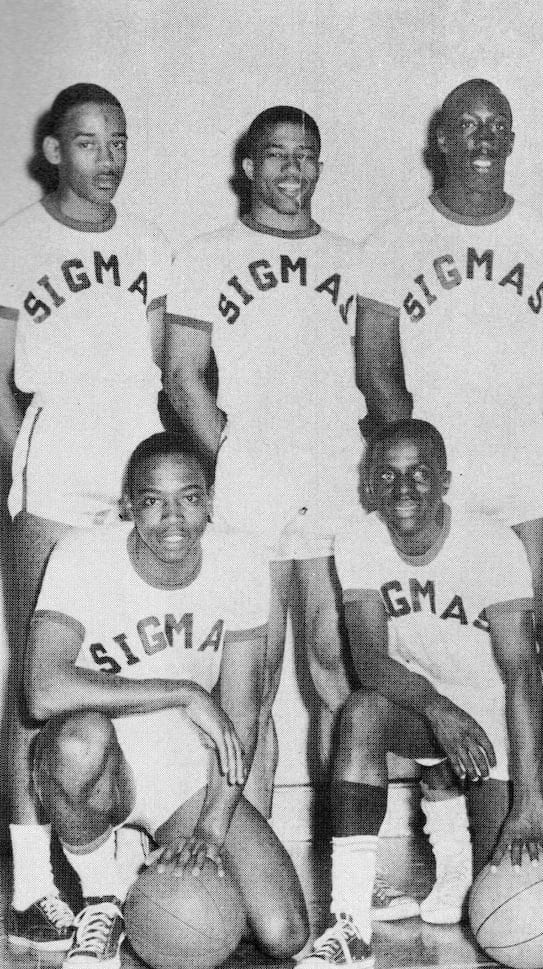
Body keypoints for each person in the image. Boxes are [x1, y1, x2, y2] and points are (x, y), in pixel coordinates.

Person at [355, 79, 543, 852]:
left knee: (529, 647)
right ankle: (445, 846)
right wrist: (418, 479)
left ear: (511, 139)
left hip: (522, 476)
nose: (482, 137)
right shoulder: (393, 242)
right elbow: (377, 372)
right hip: (436, 482)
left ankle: (542, 830)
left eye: (496, 124)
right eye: (467, 124)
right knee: (438, 647)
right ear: (439, 137)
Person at [24, 432, 309, 969]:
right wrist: (183, 691)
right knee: (76, 741)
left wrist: (212, 827)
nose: (173, 518)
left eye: (189, 498)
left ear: (210, 502)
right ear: (128, 505)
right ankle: (102, 899)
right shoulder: (82, 555)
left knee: (282, 933)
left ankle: (144, 863)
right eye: (153, 500)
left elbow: (242, 712)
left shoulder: (240, 559)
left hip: (185, 764)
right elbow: (40, 692)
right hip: (104, 752)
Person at [0, 83, 170, 952]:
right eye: (89, 142)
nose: (107, 158)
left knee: (127, 663)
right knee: (35, 684)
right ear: (54, 151)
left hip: (130, 482)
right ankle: (32, 886)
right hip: (56, 484)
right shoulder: (17, 241)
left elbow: (157, 370)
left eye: (119, 141)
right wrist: (21, 472)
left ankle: (117, 861)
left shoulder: (147, 244)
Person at [292, 419, 543, 969]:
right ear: (369, 485)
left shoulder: (492, 544)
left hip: (491, 717)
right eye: (388, 475)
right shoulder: (359, 540)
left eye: (420, 474)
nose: (404, 488)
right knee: (360, 712)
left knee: (503, 906)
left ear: (446, 481)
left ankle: (461, 860)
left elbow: (523, 679)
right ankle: (349, 925)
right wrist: (437, 708)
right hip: (422, 704)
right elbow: (369, 661)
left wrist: (530, 806)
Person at [164, 106, 360, 823]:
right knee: (255, 678)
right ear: (248, 166)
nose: (292, 168)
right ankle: (254, 847)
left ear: (320, 166)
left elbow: (377, 374)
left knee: (336, 669)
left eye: (305, 154)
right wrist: (235, 459)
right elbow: (182, 376)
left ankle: (347, 860)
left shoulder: (354, 258)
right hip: (253, 484)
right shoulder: (206, 254)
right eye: (276, 154)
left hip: (336, 479)